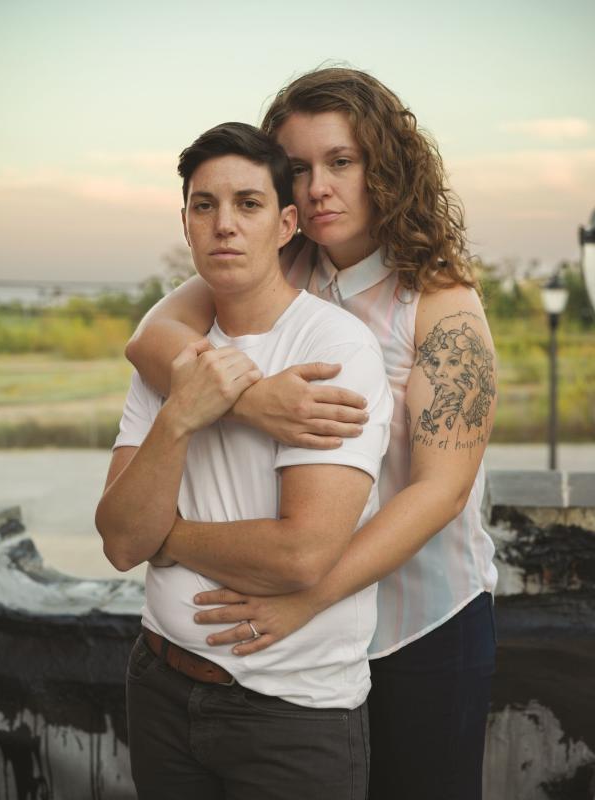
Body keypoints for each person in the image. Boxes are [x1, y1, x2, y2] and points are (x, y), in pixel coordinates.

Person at [126, 68, 499, 800]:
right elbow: (149, 340)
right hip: (298, 654)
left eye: (342, 161)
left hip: (419, 629)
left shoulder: (441, 302)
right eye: (297, 168)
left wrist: (310, 594)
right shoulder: (280, 262)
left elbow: (442, 490)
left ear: (384, 167)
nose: (319, 185)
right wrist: (251, 401)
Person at [96, 121, 393, 800]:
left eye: (248, 205)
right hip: (161, 688)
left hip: (291, 716)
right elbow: (118, 541)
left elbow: (301, 553)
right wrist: (181, 413)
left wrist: (165, 540)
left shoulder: (332, 348)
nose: (224, 224)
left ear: (287, 224)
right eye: (206, 206)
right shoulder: (173, 354)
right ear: (186, 223)